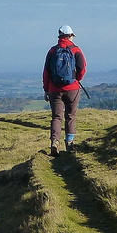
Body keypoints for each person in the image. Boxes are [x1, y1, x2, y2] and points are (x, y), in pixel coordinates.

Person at [43, 25, 87, 156]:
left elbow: (46, 72)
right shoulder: (76, 50)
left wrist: (46, 89)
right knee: (70, 116)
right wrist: (75, 78)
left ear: (60, 36)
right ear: (70, 36)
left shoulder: (52, 51)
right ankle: (69, 142)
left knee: (56, 117)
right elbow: (83, 68)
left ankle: (55, 142)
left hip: (54, 89)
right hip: (72, 88)